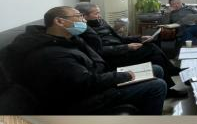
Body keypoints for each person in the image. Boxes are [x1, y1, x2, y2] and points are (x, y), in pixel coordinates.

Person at [3, 6, 167, 114]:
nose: (84, 21)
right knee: (157, 85)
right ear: (59, 21)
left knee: (156, 70)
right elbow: (85, 84)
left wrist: (118, 74)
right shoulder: (52, 54)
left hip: (95, 80)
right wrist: (122, 76)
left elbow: (95, 57)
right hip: (81, 100)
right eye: (79, 16)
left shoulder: (69, 39)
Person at [75, 2, 186, 99]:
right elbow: (99, 52)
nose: (99, 16)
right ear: (84, 16)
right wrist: (127, 47)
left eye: (99, 12)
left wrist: (139, 38)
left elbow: (119, 38)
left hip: (121, 50)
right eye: (96, 14)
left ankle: (168, 86)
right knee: (151, 49)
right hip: (112, 58)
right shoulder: (84, 30)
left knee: (153, 51)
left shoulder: (101, 22)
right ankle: (171, 74)